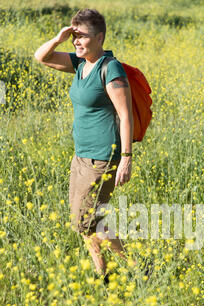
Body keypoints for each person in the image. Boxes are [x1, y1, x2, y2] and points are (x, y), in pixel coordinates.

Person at [34, 8, 134, 282]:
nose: (76, 41)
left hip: (102, 157)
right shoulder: (80, 64)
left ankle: (136, 269)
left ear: (100, 37)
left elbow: (125, 116)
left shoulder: (109, 67)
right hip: (81, 157)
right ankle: (103, 275)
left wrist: (126, 158)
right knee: (90, 222)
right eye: (74, 36)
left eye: (82, 36)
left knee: (85, 222)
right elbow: (40, 57)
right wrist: (58, 38)